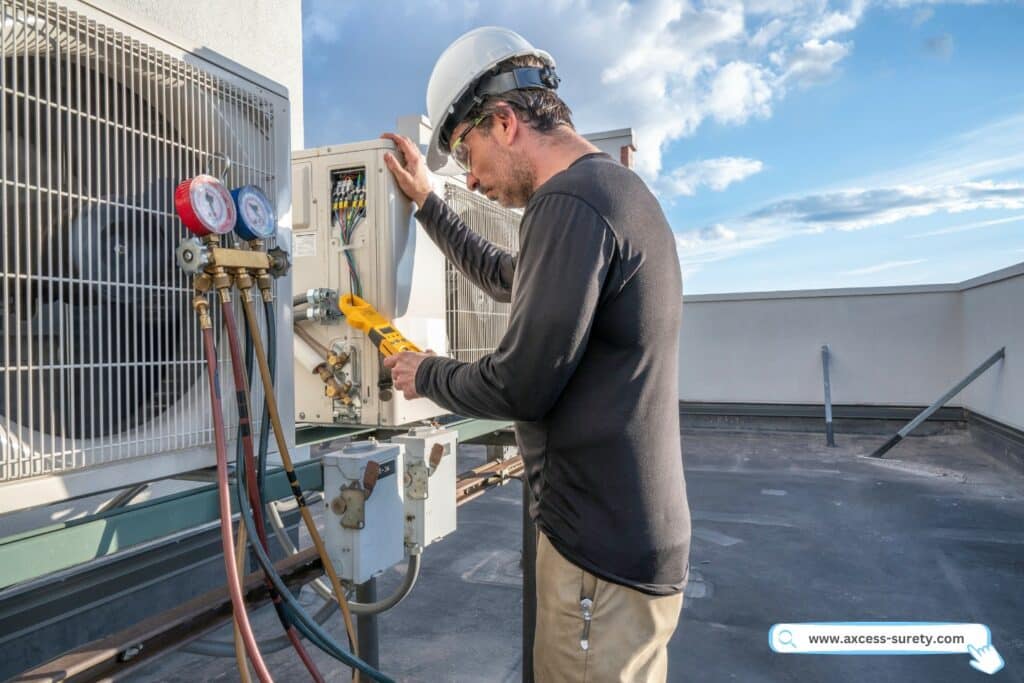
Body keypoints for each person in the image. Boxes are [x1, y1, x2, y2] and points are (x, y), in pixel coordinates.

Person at [380, 26, 691, 683]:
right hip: (627, 545)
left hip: (597, 563)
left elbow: (522, 384)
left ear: (503, 122)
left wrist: (423, 373)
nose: (470, 175)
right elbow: (505, 272)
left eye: (467, 150)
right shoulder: (608, 194)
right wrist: (428, 206)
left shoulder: (570, 203)